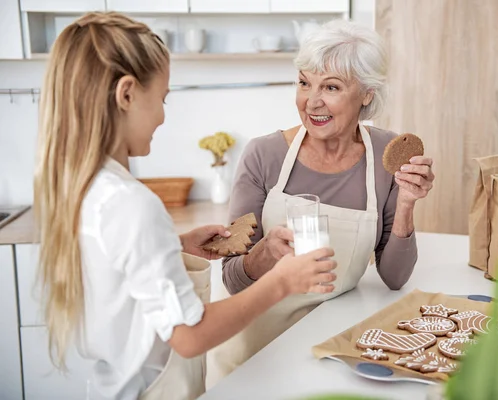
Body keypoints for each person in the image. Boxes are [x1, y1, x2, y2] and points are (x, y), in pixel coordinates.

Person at [33, 12, 336, 400]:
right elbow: (190, 337)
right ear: (126, 94)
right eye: (161, 98)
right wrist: (283, 281)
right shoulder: (133, 204)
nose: (162, 116)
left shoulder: (87, 187)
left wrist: (174, 247)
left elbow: (118, 265)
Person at [213, 19, 435, 377]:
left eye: (330, 87)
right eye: (304, 83)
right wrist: (265, 252)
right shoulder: (263, 155)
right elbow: (232, 280)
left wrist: (407, 202)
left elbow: (394, 277)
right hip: (257, 345)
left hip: (335, 342)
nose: (311, 101)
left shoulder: (385, 156)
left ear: (367, 94)